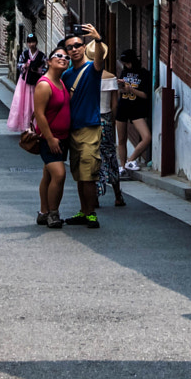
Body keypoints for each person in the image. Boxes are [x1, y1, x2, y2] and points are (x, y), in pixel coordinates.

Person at [61, 22, 107, 228]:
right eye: (70, 47)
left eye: (78, 45)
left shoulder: (91, 69)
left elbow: (99, 62)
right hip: (72, 130)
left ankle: (91, 214)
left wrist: (98, 40)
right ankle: (83, 211)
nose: (74, 49)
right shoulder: (66, 75)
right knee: (79, 175)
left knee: (88, 174)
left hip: (90, 128)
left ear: (83, 47)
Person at [30, 48, 71, 228]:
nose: (63, 59)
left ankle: (43, 212)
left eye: (66, 57)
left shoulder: (61, 82)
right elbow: (39, 114)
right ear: (49, 61)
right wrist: (50, 138)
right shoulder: (45, 84)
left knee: (48, 175)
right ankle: (53, 213)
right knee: (59, 175)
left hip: (63, 138)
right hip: (50, 139)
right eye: (59, 56)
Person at [116, 48, 152, 175]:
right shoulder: (124, 72)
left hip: (137, 108)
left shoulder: (144, 74)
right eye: (124, 63)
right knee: (121, 139)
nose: (126, 66)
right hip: (123, 106)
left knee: (147, 137)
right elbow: (121, 91)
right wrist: (121, 87)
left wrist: (131, 89)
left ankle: (130, 161)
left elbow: (145, 95)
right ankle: (122, 167)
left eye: (127, 63)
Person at [97, 61, 126, 208]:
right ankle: (117, 195)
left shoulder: (86, 77)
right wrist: (111, 120)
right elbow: (114, 104)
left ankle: (94, 195)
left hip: (91, 121)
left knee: (93, 157)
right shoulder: (111, 77)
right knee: (110, 155)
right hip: (106, 119)